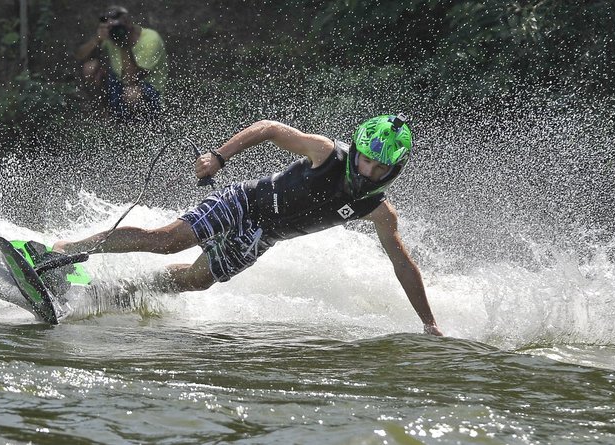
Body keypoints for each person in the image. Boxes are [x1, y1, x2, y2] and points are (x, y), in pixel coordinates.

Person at [55, 116, 443, 336]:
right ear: (357, 150)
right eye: (366, 161)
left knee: (196, 281)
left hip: (262, 237)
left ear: (395, 169)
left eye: (380, 168)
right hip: (245, 202)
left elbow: (403, 265)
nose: (369, 171)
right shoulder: (325, 152)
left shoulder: (378, 210)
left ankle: (109, 294)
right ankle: (61, 252)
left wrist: (430, 324)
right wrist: (218, 157)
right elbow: (271, 129)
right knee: (169, 240)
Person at [74, 5, 168, 122]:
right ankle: (105, 116)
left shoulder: (150, 39)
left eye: (118, 27)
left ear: (129, 24)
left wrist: (123, 45)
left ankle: (142, 126)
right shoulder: (109, 36)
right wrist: (97, 39)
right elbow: (80, 56)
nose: (116, 32)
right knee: (90, 68)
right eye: (112, 28)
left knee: (132, 92)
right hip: (119, 84)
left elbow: (132, 79)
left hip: (149, 94)